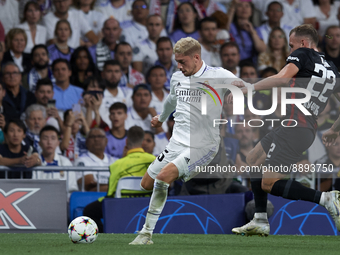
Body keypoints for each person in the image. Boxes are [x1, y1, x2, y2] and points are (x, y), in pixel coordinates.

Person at [229, 24, 340, 236]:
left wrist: (249, 87)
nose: (290, 51)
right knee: (253, 159)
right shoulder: (332, 69)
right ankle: (260, 219)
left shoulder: (303, 53)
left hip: (295, 126)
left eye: (291, 46)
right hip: (297, 127)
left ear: (304, 43)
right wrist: (334, 129)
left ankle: (325, 198)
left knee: (269, 183)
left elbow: (281, 78)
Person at [129, 37, 239, 245]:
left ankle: (145, 234)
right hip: (177, 143)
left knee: (163, 177)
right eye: (176, 61)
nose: (179, 66)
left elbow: (244, 87)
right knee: (146, 184)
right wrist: (161, 118)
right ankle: (178, 172)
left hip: (204, 145)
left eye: (182, 61)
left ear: (196, 58)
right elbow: (171, 100)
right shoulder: (177, 77)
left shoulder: (219, 75)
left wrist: (237, 94)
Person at [83, 126, 155, 232]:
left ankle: (105, 237)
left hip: (123, 206)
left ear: (126, 141)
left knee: (89, 211)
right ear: (142, 142)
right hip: (148, 205)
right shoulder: (154, 160)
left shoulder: (116, 165)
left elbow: (111, 193)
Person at [35, 125, 78, 199]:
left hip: (62, 203)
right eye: (45, 138)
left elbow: (72, 189)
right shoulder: (34, 162)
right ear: (39, 143)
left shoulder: (65, 162)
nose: (49, 142)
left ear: (58, 142)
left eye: (53, 138)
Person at [99, 60, 133, 127]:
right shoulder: (98, 96)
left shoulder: (130, 94)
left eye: (116, 71)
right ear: (103, 74)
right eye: (109, 71)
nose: (113, 75)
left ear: (121, 74)